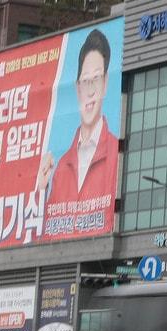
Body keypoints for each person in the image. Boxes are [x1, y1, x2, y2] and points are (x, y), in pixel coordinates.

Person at [38, 28, 118, 237]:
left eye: (97, 79)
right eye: (85, 81)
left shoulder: (117, 155)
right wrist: (41, 191)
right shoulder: (61, 167)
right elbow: (47, 238)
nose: (90, 90)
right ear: (77, 88)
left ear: (106, 83)